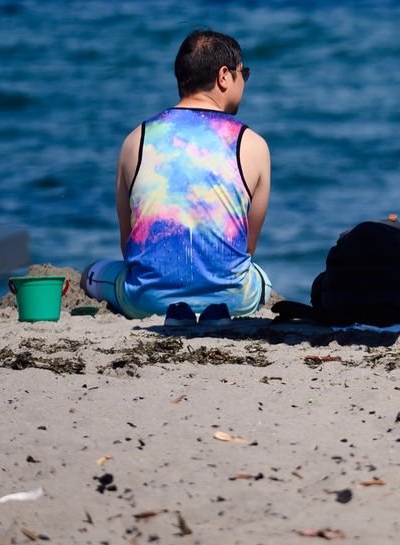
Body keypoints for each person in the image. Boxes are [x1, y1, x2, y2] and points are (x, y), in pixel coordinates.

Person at [82, 29, 272, 326]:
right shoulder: (253, 144)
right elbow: (247, 247)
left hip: (147, 299)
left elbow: (127, 241)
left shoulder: (136, 140)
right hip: (230, 299)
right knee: (262, 280)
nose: (244, 81)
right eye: (242, 73)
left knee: (92, 273)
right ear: (224, 76)